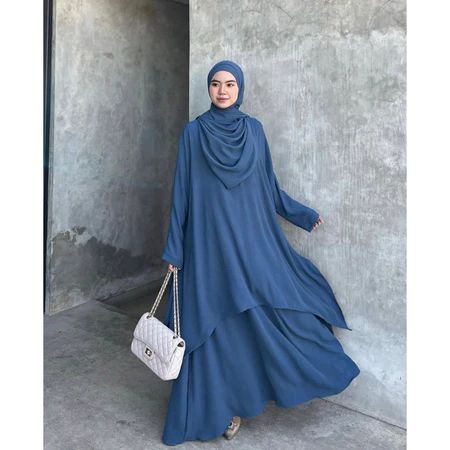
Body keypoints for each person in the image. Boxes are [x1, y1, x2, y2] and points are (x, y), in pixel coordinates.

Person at [160, 60, 360, 446]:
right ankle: (219, 409)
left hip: (251, 241)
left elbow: (268, 185)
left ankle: (247, 396)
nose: (222, 90)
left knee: (258, 317)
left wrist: (300, 214)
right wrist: (174, 248)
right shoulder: (193, 133)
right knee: (213, 325)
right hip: (207, 246)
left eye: (230, 84)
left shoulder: (254, 130)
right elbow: (181, 192)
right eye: (215, 84)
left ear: (240, 88)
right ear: (208, 89)